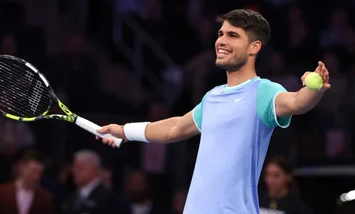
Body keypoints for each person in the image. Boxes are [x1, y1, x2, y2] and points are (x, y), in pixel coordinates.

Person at [97, 9, 331, 214]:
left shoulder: (264, 91)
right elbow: (176, 127)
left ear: (254, 47)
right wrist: (124, 130)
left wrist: (316, 88)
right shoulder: (213, 96)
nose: (221, 41)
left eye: (232, 35)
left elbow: (298, 102)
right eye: (220, 34)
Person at [0, 150, 55, 214]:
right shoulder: (2, 192)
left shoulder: (45, 198)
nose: (36, 177)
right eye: (33, 171)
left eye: (39, 173)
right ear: (22, 167)